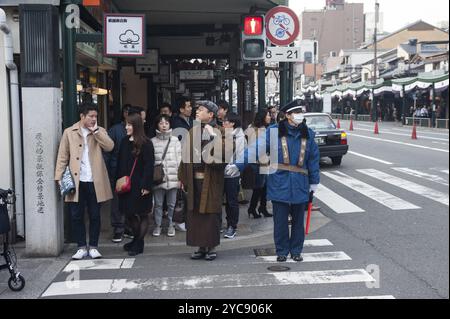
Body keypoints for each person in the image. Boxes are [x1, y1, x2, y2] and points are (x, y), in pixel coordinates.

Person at [229, 100, 320, 262]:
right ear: (287, 116)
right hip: (280, 181)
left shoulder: (309, 134)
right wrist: (239, 164)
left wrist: (314, 182)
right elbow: (256, 149)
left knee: (298, 221)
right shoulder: (274, 132)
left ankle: (296, 250)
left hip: (300, 182)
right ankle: (282, 251)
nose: (300, 116)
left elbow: (313, 159)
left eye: (301, 113)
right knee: (280, 221)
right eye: (296, 113)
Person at [55, 102, 114, 260]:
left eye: (96, 116)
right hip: (77, 181)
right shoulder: (69, 132)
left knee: (95, 214)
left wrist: (96, 133)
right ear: (82, 116)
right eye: (91, 116)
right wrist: (59, 177)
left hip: (95, 180)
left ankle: (93, 246)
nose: (94, 119)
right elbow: (62, 156)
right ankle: (81, 246)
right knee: (76, 215)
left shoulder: (100, 131)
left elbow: (109, 146)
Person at [178, 100, 232, 261]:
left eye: (201, 110)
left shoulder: (221, 131)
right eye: (197, 109)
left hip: (212, 178)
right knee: (195, 215)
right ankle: (200, 247)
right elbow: (184, 156)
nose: (197, 112)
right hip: (193, 179)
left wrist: (215, 136)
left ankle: (211, 246)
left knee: (210, 214)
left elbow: (227, 153)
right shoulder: (192, 131)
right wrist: (182, 177)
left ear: (210, 114)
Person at [116, 113, 155, 256]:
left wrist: (146, 185)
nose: (126, 127)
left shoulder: (146, 143)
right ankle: (136, 240)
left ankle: (139, 243)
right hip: (126, 185)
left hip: (140, 185)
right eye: (126, 124)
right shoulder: (124, 141)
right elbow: (120, 162)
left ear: (136, 126)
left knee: (142, 213)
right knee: (129, 213)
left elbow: (149, 166)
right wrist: (118, 181)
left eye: (129, 125)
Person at [151, 114, 183, 237]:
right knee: (158, 204)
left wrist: (181, 178)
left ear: (170, 125)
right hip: (158, 178)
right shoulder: (152, 141)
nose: (164, 125)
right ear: (157, 125)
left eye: (166, 123)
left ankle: (171, 225)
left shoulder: (175, 141)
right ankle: (158, 226)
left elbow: (180, 160)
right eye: (161, 123)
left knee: (172, 204)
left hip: (174, 177)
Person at [104, 104, 132, 243]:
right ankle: (118, 228)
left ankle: (128, 226)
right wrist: (108, 170)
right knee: (117, 200)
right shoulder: (115, 130)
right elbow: (107, 152)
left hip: (132, 171)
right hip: (116, 171)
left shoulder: (137, 130)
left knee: (130, 199)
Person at [246, 109, 273, 219]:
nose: (269, 117)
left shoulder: (264, 128)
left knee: (264, 187)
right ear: (262, 117)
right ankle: (252, 208)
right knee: (259, 187)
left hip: (264, 161)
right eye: (268, 115)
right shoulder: (253, 129)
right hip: (257, 162)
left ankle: (262, 207)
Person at [223, 113, 246, 239]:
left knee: (232, 201)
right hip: (220, 172)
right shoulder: (222, 134)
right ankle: (225, 224)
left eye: (226, 121)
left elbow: (242, 156)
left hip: (233, 172)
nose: (223, 123)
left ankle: (232, 226)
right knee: (221, 200)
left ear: (232, 123)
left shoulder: (240, 137)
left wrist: (235, 167)